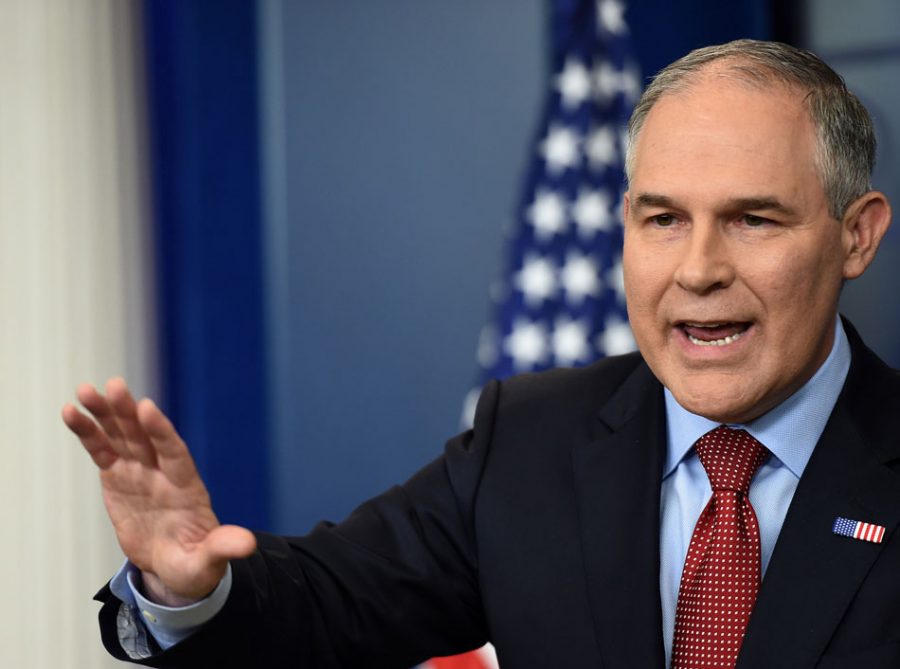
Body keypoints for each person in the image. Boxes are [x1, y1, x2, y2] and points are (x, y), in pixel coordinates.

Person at [63, 39, 898, 668]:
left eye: (754, 219)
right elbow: (331, 602)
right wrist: (188, 586)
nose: (699, 269)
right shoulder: (533, 437)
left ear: (855, 236)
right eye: (662, 218)